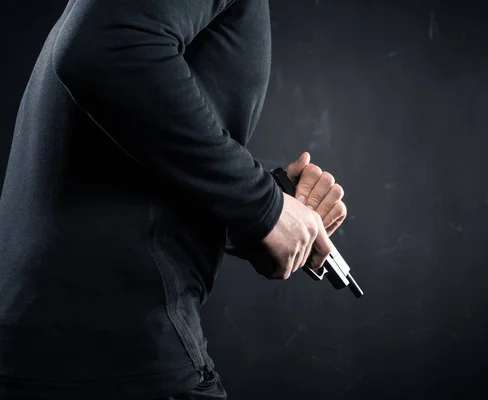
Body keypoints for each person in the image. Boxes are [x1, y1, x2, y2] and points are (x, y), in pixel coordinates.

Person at [0, 0, 349, 399]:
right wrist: (261, 207)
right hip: (119, 349)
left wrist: (266, 197)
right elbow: (107, 49)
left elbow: (123, 151)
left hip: (62, 343)